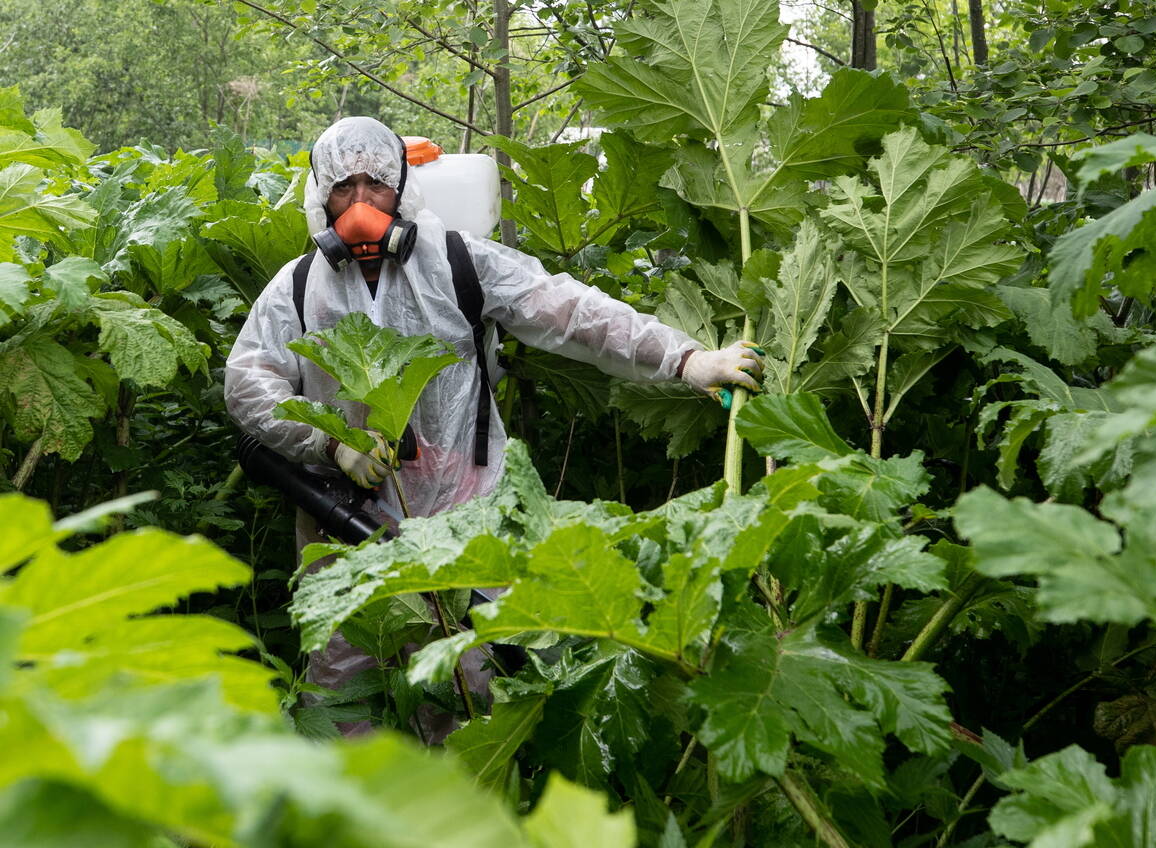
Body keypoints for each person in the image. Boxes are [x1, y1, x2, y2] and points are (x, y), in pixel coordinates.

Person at [224, 116, 763, 725]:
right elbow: (247, 383)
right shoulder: (297, 287)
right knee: (342, 689)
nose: (360, 204)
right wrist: (331, 444)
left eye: (375, 184)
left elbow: (569, 310)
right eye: (343, 187)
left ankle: (469, 806)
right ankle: (354, 816)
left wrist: (686, 359)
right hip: (343, 521)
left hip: (462, 515)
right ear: (319, 198)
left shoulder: (458, 261)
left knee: (467, 686)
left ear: (402, 188)